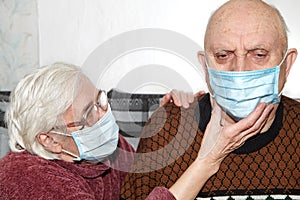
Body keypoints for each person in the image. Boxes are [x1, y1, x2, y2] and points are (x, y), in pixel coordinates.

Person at [0, 62, 270, 199]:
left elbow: (143, 187)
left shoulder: (107, 150)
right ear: (50, 140)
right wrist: (208, 161)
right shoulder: (26, 179)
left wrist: (165, 119)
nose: (103, 114)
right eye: (87, 113)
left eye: (100, 100)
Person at [120, 0, 299, 199]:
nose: (239, 70)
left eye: (259, 54)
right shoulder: (167, 129)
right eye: (223, 55)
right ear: (205, 66)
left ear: (287, 64)